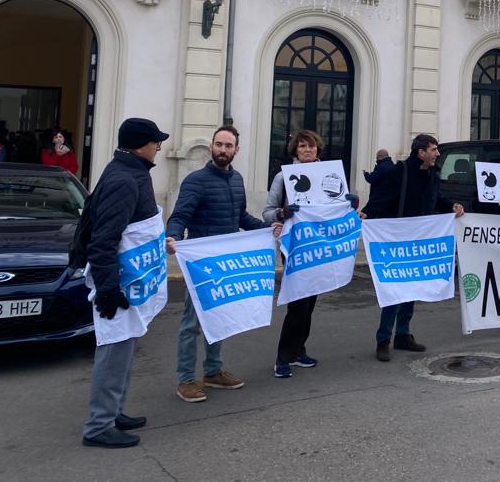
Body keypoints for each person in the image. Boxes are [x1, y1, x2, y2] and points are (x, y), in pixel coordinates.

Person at [165, 126, 282, 402]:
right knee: (191, 323)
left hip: (227, 263)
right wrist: (172, 235)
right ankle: (185, 380)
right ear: (211, 147)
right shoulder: (196, 181)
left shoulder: (237, 179)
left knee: (218, 318)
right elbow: (180, 214)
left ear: (236, 150)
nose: (222, 150)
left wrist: (267, 227)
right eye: (218, 144)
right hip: (202, 264)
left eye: (228, 146)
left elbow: (241, 218)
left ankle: (213, 371)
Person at [80, 118, 170, 448]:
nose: (158, 146)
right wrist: (106, 289)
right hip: (118, 284)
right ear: (139, 145)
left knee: (127, 346)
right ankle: (98, 426)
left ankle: (114, 411)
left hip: (131, 281)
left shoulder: (130, 172)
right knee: (114, 350)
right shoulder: (124, 180)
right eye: (155, 141)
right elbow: (103, 240)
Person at [361, 133, 464, 362]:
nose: (437, 154)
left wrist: (452, 206)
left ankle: (403, 335)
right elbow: (383, 197)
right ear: (421, 153)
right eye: (434, 149)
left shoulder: (432, 175)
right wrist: (367, 212)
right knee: (396, 290)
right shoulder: (400, 172)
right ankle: (383, 339)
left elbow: (437, 199)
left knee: (413, 287)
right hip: (399, 240)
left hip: (422, 240)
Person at [264, 129, 324, 378]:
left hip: (320, 246)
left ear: (317, 149)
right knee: (298, 303)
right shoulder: (283, 177)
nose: (307, 150)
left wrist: (351, 203)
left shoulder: (327, 175)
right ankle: (283, 357)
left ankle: (299, 350)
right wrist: (281, 213)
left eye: (311, 146)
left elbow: (337, 206)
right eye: (302, 147)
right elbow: (267, 211)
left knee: (310, 303)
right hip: (295, 247)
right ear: (295, 151)